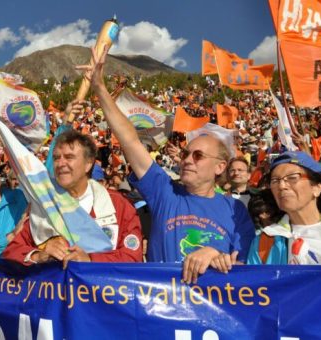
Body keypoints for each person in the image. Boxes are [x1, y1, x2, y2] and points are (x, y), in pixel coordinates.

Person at [79, 47, 254, 283]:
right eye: (186, 154)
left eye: (198, 156)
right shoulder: (165, 191)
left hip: (213, 311)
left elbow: (245, 270)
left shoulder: (235, 210)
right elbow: (130, 140)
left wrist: (215, 254)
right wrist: (99, 88)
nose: (187, 160)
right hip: (162, 309)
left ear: (220, 167)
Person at [3, 130, 143, 267]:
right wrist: (38, 255)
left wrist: (90, 259)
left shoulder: (119, 205)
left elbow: (132, 257)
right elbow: (12, 251)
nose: (60, 163)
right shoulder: (44, 205)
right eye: (57, 158)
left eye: (69, 157)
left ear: (88, 164)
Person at [247, 151, 321, 264]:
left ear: (316, 188)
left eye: (292, 178)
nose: (281, 186)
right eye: (275, 180)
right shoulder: (265, 241)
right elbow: (256, 280)